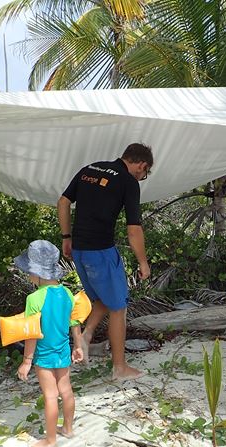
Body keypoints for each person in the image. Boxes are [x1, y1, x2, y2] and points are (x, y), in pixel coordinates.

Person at [58, 143, 153, 381]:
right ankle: (119, 368)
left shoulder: (89, 169)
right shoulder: (127, 181)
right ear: (142, 165)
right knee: (119, 307)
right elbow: (134, 230)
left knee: (101, 297)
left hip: (79, 250)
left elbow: (63, 202)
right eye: (144, 174)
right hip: (101, 251)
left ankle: (86, 335)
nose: (141, 178)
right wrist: (143, 261)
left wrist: (66, 237)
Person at [14, 240, 84, 447]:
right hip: (63, 351)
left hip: (44, 356)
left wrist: (27, 361)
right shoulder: (67, 293)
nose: (28, 276)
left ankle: (51, 440)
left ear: (37, 274)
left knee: (50, 395)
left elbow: (31, 333)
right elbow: (75, 322)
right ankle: (68, 429)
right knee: (67, 391)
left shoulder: (34, 299)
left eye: (28, 272)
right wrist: (78, 346)